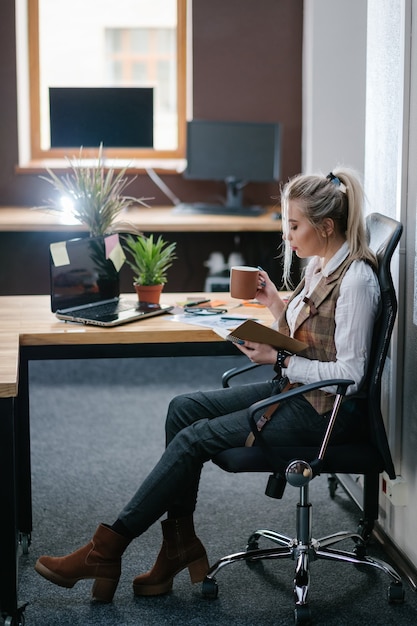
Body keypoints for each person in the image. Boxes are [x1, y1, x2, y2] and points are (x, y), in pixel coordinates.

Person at [34, 167, 380, 603]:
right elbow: (307, 335)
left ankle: (107, 547)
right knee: (183, 408)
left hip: (326, 415)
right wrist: (274, 304)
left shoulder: (357, 281)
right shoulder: (320, 265)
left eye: (294, 226)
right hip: (296, 393)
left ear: (326, 227)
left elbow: (352, 373)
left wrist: (280, 359)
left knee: (195, 438)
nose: (286, 236)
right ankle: (178, 545)